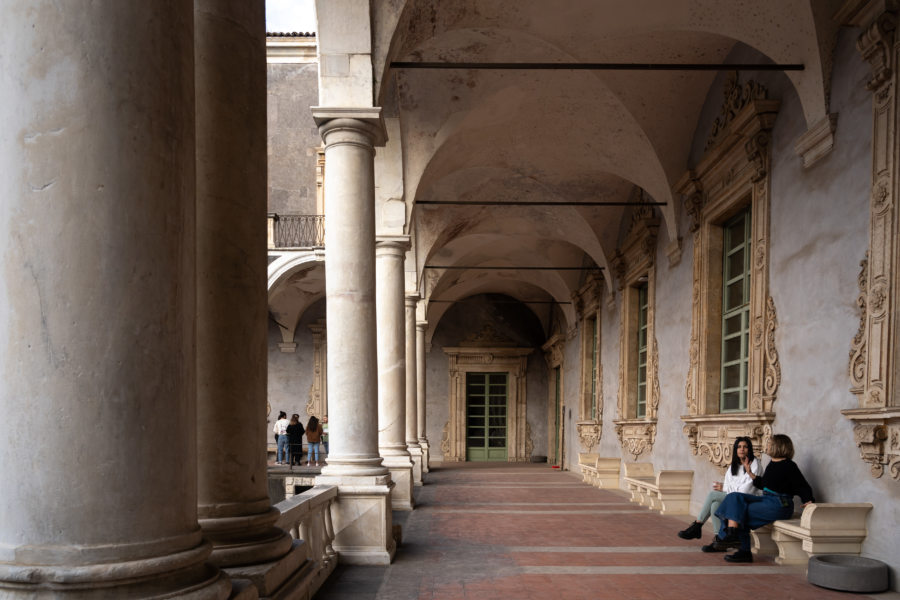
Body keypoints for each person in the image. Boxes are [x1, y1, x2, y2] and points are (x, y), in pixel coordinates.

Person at [712, 434, 815, 563]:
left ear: (778, 446)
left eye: (769, 444)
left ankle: (738, 544)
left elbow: (802, 486)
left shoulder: (789, 466)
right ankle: (733, 535)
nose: (766, 446)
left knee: (739, 511)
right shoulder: (772, 464)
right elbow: (765, 485)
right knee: (734, 498)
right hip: (767, 500)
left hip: (780, 504)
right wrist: (750, 473)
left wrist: (809, 500)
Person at [677, 437, 761, 547]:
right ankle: (719, 539)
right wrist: (726, 487)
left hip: (747, 499)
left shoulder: (755, 464)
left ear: (749, 449)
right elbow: (730, 486)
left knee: (713, 495)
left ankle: (697, 525)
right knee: (715, 505)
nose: (742, 449)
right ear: (735, 449)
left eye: (745, 447)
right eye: (739, 447)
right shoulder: (733, 466)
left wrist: (725, 488)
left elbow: (746, 490)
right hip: (734, 498)